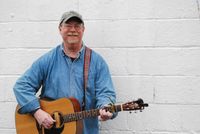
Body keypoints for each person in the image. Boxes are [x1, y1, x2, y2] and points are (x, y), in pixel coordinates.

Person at [13, 10, 117, 134]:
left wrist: (106, 107)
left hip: (85, 130)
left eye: (77, 26)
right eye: (68, 25)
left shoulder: (97, 62)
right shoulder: (48, 60)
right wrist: (37, 112)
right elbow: (21, 86)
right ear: (60, 29)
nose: (72, 29)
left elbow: (106, 93)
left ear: (83, 30)